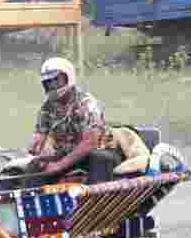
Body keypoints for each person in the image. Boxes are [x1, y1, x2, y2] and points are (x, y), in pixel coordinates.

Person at [25, 57, 121, 185]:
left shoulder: (87, 103)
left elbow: (90, 143)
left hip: (101, 151)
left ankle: (94, 202)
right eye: (48, 82)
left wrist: (59, 165)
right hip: (67, 154)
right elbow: (38, 139)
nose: (52, 85)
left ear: (69, 78)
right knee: (35, 165)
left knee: (99, 158)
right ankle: (28, 199)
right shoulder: (47, 107)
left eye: (56, 80)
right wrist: (34, 153)